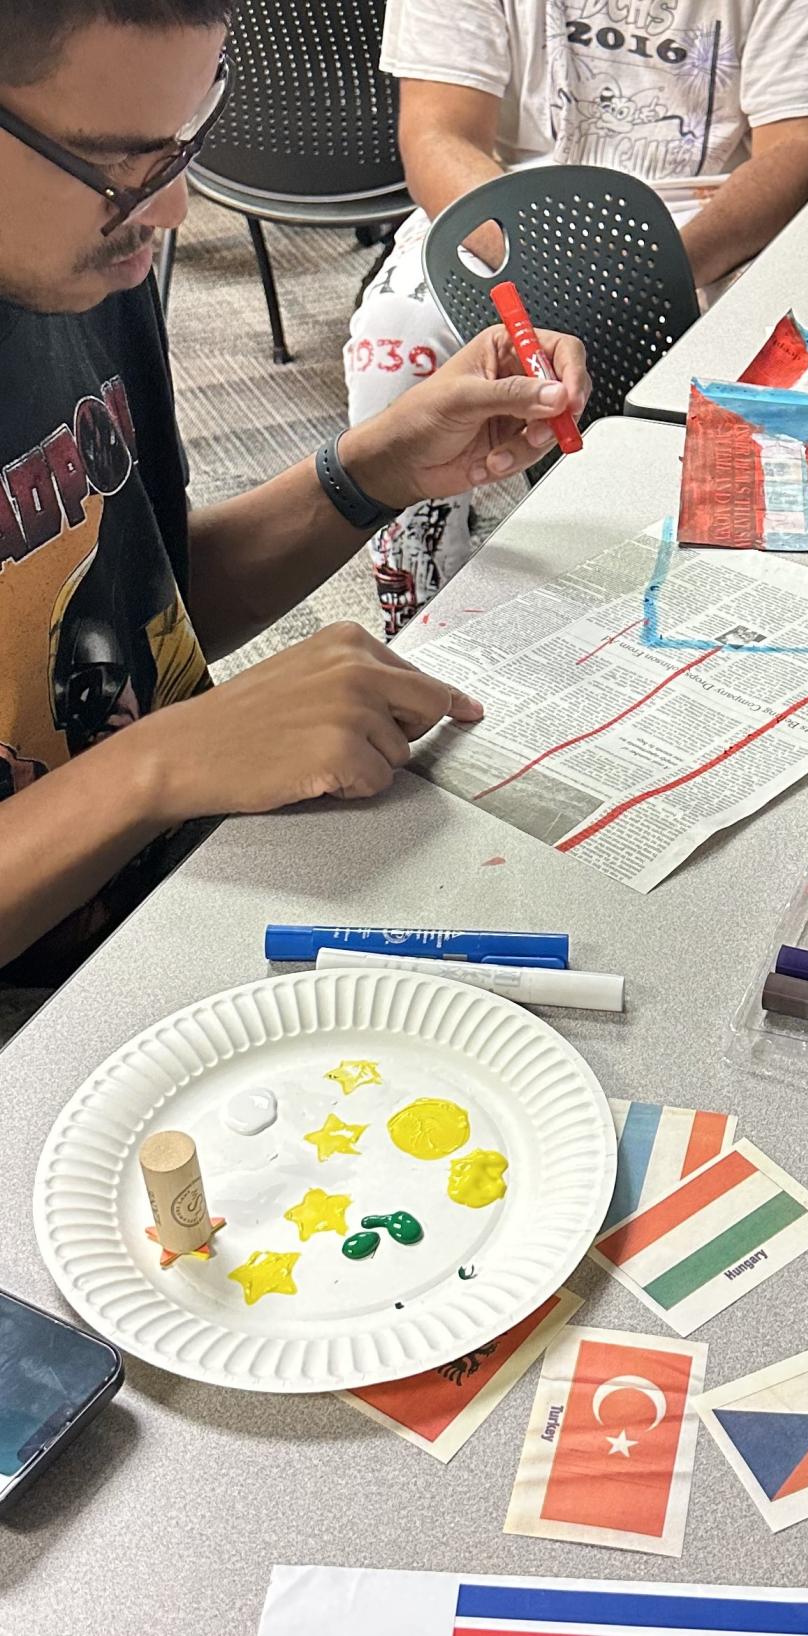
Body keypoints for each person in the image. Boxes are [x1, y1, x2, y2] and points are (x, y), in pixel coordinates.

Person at [0, 0, 590, 989]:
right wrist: (156, 767)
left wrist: (375, 470)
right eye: (124, 168)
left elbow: (154, 594)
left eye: (190, 138)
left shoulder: (86, 270)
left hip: (193, 881)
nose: (175, 211)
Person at [347, 0, 808, 634]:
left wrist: (641, 280)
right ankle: (419, 609)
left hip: (707, 224)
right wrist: (544, 271)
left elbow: (803, 143)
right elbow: (436, 135)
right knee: (396, 343)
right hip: (502, 213)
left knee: (798, 386)